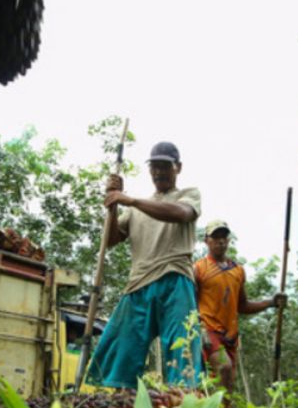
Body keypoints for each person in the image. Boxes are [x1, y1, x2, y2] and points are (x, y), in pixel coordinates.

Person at [86, 141, 204, 388]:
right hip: (139, 282)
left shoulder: (188, 195)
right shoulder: (134, 209)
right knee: (120, 345)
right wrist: (113, 204)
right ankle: (120, 400)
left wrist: (129, 200)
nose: (159, 172)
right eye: (154, 166)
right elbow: (109, 240)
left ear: (178, 168)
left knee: (181, 346)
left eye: (165, 166)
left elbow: (180, 214)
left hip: (175, 278)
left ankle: (180, 401)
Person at [194, 220, 285, 393]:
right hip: (209, 330)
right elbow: (191, 303)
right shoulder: (199, 268)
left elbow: (242, 305)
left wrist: (271, 302)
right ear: (206, 240)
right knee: (224, 368)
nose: (221, 241)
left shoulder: (238, 270)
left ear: (229, 240)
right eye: (216, 237)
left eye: (224, 237)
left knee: (227, 382)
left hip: (230, 335)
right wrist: (199, 329)